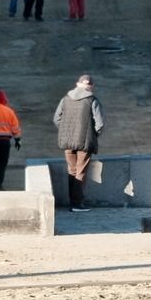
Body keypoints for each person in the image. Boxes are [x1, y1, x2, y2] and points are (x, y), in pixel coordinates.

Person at [53, 74, 103, 212]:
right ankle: (77, 204)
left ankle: (72, 202)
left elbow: (57, 119)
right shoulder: (92, 100)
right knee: (80, 172)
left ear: (77, 84)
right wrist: (93, 136)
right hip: (84, 141)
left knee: (72, 170)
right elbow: (99, 124)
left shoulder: (66, 99)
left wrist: (65, 132)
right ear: (91, 86)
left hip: (67, 142)